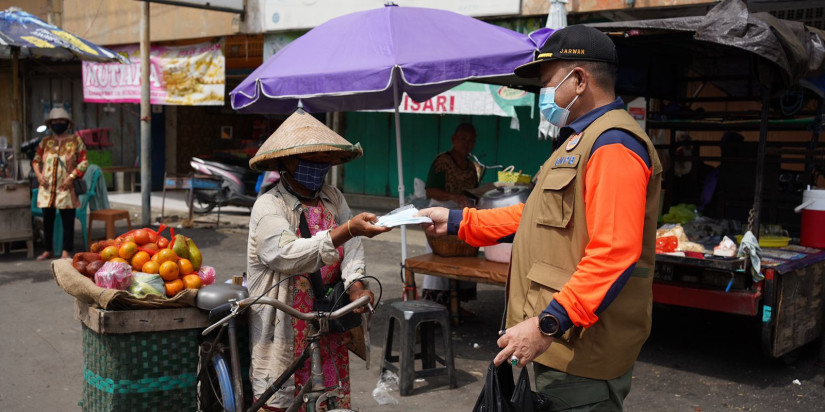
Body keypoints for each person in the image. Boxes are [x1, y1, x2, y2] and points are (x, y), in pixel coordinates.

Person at [418, 25, 662, 411]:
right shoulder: (578, 140)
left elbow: (615, 252)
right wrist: (459, 222)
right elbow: (535, 214)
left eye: (549, 82)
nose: (544, 95)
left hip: (579, 350)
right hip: (558, 343)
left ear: (579, 80)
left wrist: (550, 322)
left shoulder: (614, 144)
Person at [246, 110, 391, 411]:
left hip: (327, 318)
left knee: (328, 393)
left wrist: (356, 285)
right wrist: (346, 230)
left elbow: (352, 250)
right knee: (279, 395)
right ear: (287, 161)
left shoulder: (334, 197)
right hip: (284, 318)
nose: (320, 166)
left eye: (325, 159)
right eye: (311, 159)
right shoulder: (268, 205)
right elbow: (284, 253)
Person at [422, 123, 479, 310]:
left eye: (471, 140)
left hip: (461, 217)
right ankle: (435, 306)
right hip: (439, 216)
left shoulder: (471, 167)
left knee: (462, 262)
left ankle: (457, 308)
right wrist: (453, 196)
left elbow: (474, 191)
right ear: (453, 139)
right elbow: (430, 190)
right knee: (439, 263)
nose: (466, 143)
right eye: (463, 139)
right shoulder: (442, 162)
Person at [32, 107, 88, 260]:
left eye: (61, 121)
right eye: (55, 122)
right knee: (47, 220)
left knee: (68, 221)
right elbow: (36, 160)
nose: (58, 124)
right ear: (50, 124)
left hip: (66, 188)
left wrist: (71, 177)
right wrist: (38, 176)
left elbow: (84, 162)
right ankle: (48, 249)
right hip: (47, 187)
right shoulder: (45, 142)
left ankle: (66, 250)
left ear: (67, 123)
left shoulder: (76, 141)